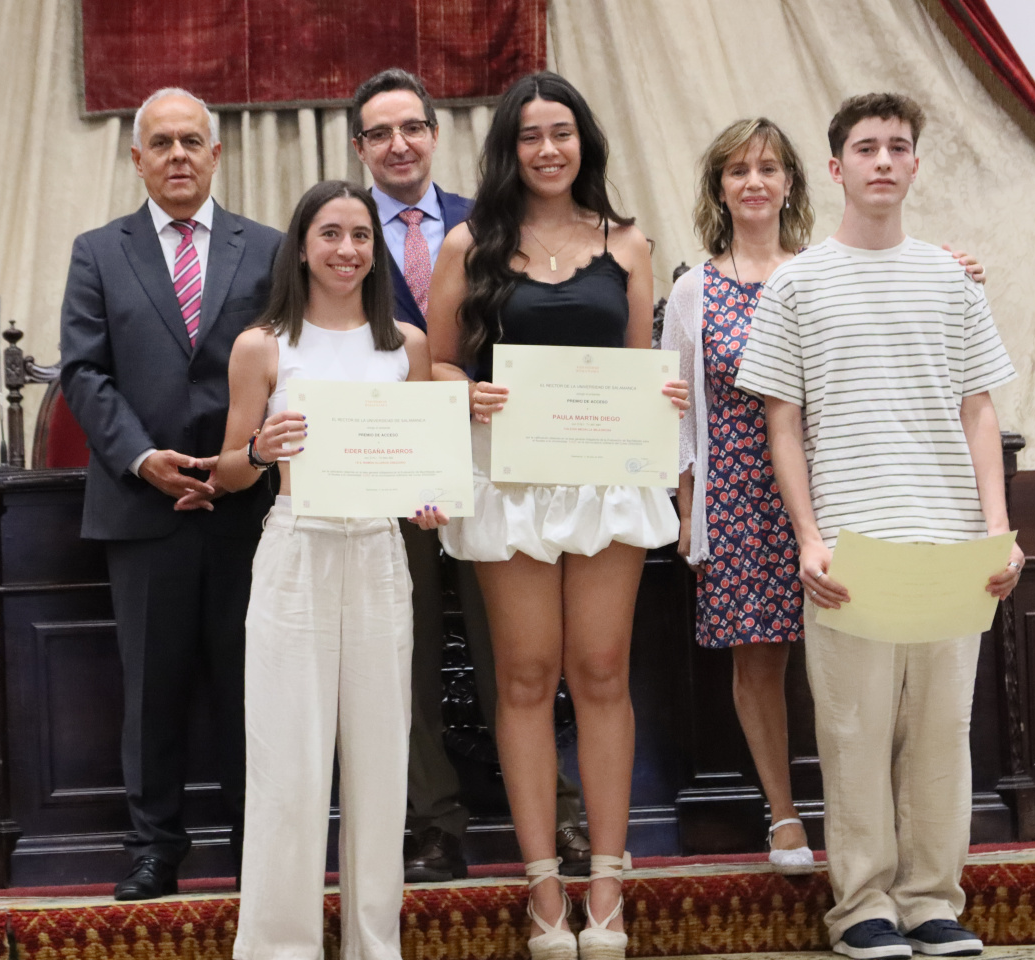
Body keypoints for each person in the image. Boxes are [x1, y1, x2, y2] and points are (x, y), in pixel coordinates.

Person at [735, 93, 1024, 960]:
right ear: (836, 169)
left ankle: (934, 899)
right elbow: (782, 423)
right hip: (850, 546)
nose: (885, 161)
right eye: (867, 148)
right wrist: (808, 539)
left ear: (915, 165)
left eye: (900, 147)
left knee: (942, 737)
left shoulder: (950, 277)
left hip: (949, 545)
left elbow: (980, 412)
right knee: (853, 734)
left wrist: (998, 529)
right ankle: (861, 905)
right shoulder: (797, 283)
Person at [663, 118, 987, 877]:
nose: (754, 182)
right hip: (741, 492)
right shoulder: (691, 289)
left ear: (794, 184)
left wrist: (952, 262)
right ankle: (783, 814)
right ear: (719, 187)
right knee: (761, 663)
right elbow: (676, 408)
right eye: (738, 170)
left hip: (836, 484)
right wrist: (687, 512)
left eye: (769, 168)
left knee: (859, 668)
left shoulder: (823, 271)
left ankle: (877, 833)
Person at [425, 71, 689, 960]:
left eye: (562, 133)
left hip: (606, 476)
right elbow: (439, 364)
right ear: (509, 147)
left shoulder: (628, 243)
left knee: (603, 669)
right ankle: (544, 886)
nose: (548, 149)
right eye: (531, 135)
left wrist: (666, 390)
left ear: (585, 143)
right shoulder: (469, 243)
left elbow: (642, 361)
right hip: (511, 475)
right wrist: (471, 391)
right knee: (527, 676)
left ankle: (608, 882)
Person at [349, 66, 589, 883]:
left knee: (518, 654)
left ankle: (559, 814)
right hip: (385, 468)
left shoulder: (490, 220)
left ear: (434, 134)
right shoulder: (336, 231)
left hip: (497, 465)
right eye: (379, 132)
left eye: (410, 126)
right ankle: (433, 824)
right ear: (360, 148)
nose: (398, 144)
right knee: (406, 649)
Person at [58, 87, 282, 901]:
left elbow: (288, 365)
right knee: (151, 693)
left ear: (217, 154)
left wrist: (234, 463)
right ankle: (154, 851)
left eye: (193, 141)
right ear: (137, 158)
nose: (179, 155)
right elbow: (83, 371)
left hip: (248, 507)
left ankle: (260, 848)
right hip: (142, 506)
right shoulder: (98, 251)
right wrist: (146, 459)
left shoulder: (269, 248)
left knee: (248, 684)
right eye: (163, 143)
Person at [216, 179, 444, 960]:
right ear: (302, 245)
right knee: (288, 764)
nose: (347, 250)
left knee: (382, 766)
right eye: (331, 234)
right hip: (296, 551)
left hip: (379, 554)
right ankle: (280, 948)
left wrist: (430, 498)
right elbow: (227, 472)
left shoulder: (405, 347)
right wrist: (257, 451)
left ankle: (374, 946)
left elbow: (424, 465)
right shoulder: (264, 345)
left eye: (360, 236)